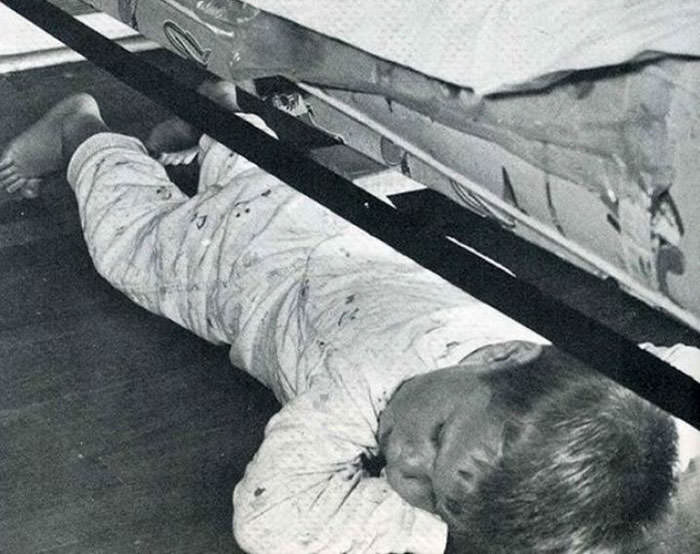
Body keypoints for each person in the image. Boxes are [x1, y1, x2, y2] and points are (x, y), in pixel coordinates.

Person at [1, 86, 697, 554]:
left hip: (330, 215)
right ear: (496, 361)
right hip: (244, 271)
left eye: (431, 496)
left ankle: (213, 115)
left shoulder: (546, 360)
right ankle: (83, 134)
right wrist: (424, 529)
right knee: (132, 247)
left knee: (258, 173)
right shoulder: (364, 386)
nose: (404, 464)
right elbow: (270, 522)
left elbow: (675, 373)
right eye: (438, 437)